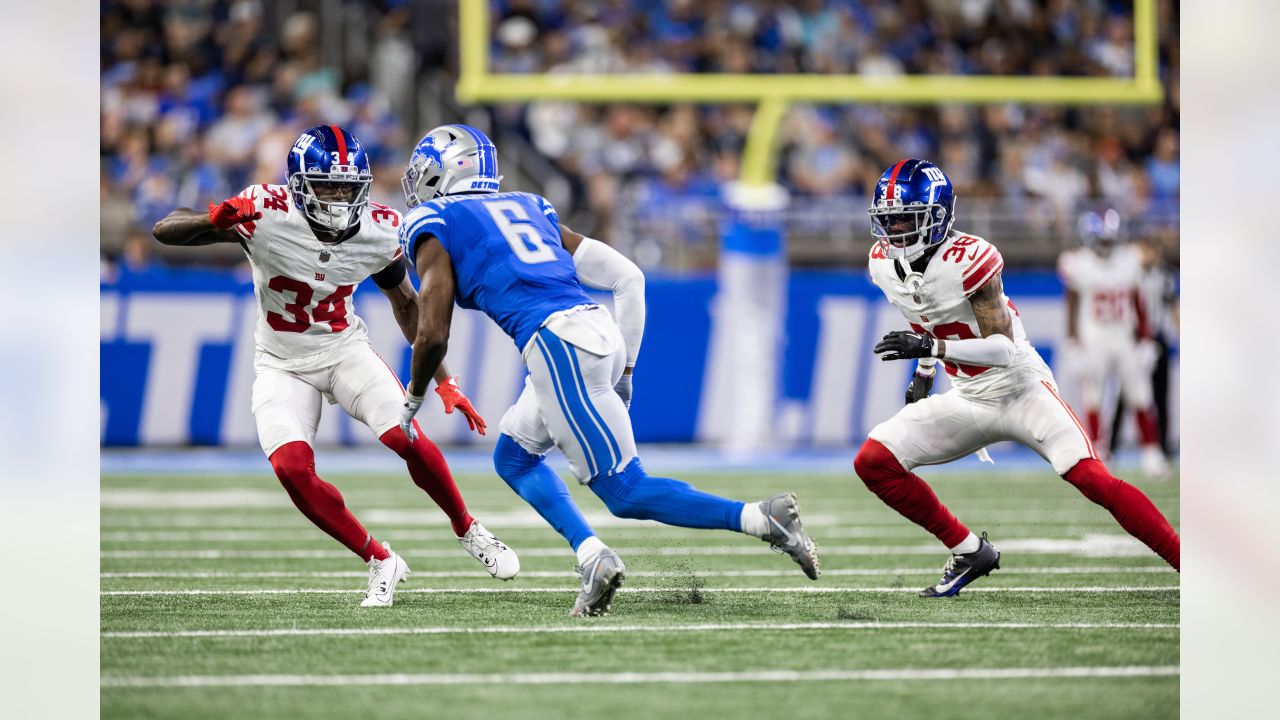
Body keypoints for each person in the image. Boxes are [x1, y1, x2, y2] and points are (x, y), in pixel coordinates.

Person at [395, 124, 819, 617]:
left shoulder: (434, 219)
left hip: (555, 344)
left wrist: (414, 398)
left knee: (624, 490)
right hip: (597, 331)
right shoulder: (530, 205)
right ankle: (592, 555)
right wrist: (626, 372)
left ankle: (760, 519)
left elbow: (432, 333)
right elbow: (628, 278)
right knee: (514, 457)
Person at [152, 124, 518, 608]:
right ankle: (380, 558)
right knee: (291, 468)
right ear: (300, 186)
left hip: (344, 349)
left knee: (402, 435)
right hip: (281, 362)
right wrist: (213, 219)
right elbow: (164, 229)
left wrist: (444, 381)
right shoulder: (265, 211)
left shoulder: (379, 228)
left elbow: (406, 304)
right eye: (327, 186)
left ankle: (468, 528)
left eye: (348, 186)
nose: (339, 197)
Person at [852, 158, 1180, 598]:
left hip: (1021, 388)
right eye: (887, 220)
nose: (894, 231)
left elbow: (1003, 350)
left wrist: (932, 351)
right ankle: (970, 551)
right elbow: (922, 316)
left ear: (937, 216)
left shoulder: (972, 258)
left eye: (905, 219)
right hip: (968, 395)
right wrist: (925, 374)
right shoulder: (882, 263)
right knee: (873, 462)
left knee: (1092, 479)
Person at [1058, 209, 1169, 478]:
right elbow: (1072, 304)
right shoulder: (1078, 263)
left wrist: (1145, 338)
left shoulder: (1128, 260)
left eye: (1109, 239)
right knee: (1094, 395)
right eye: (1102, 239)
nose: (1106, 245)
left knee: (1140, 393)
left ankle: (1151, 453)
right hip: (1094, 336)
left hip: (1122, 335)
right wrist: (1073, 341)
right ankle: (1100, 451)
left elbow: (1137, 302)